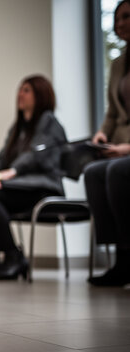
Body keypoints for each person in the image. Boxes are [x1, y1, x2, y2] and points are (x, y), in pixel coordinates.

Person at [0, 75, 67, 280]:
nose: (20, 94)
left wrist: (13, 171)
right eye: (20, 90)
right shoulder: (18, 128)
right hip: (20, 186)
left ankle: (12, 255)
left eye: (26, 90)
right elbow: (2, 158)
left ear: (41, 95)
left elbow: (37, 155)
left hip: (43, 187)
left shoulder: (49, 123)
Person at [85, 0, 130, 287]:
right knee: (94, 171)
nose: (121, 23)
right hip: (120, 146)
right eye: (118, 18)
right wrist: (102, 135)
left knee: (116, 171)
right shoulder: (118, 64)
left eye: (127, 16)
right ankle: (120, 257)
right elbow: (113, 113)